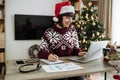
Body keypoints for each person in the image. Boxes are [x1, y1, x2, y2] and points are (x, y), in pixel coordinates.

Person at [38, 1, 87, 80]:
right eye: (67, 17)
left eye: (71, 18)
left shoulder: (73, 31)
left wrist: (79, 52)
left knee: (80, 78)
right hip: (55, 68)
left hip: (71, 66)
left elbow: (75, 48)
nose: (70, 21)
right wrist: (48, 56)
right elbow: (41, 52)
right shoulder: (49, 32)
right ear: (60, 17)